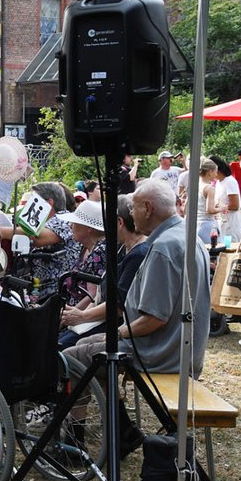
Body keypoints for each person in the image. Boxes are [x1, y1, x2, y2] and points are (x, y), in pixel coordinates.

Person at [64, 179, 210, 457]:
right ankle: (122, 433)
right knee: (95, 352)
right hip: (182, 347)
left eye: (132, 209)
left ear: (147, 207)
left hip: (161, 351)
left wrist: (116, 334)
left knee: (72, 358)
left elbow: (153, 320)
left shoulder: (163, 248)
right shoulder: (187, 234)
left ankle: (74, 446)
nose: (130, 215)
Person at [59, 195, 148, 349]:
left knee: (63, 349)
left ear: (119, 223)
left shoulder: (137, 254)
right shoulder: (122, 248)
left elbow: (119, 306)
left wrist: (81, 316)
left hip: (116, 326)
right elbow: (100, 294)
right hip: (100, 319)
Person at [0, 182, 80, 301]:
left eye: (34, 200)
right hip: (41, 290)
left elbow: (37, 238)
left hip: (58, 293)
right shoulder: (47, 222)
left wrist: (1, 232)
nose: (29, 206)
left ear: (49, 203)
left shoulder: (63, 219)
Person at [211, 155, 241, 242]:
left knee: (230, 249)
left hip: (231, 224)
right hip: (222, 222)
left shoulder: (229, 181)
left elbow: (235, 205)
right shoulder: (218, 183)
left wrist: (218, 208)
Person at [196, 157, 223, 244]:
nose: (216, 174)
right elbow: (210, 210)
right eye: (215, 171)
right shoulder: (209, 188)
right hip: (207, 226)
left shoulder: (194, 185)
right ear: (210, 172)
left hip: (195, 224)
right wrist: (223, 208)